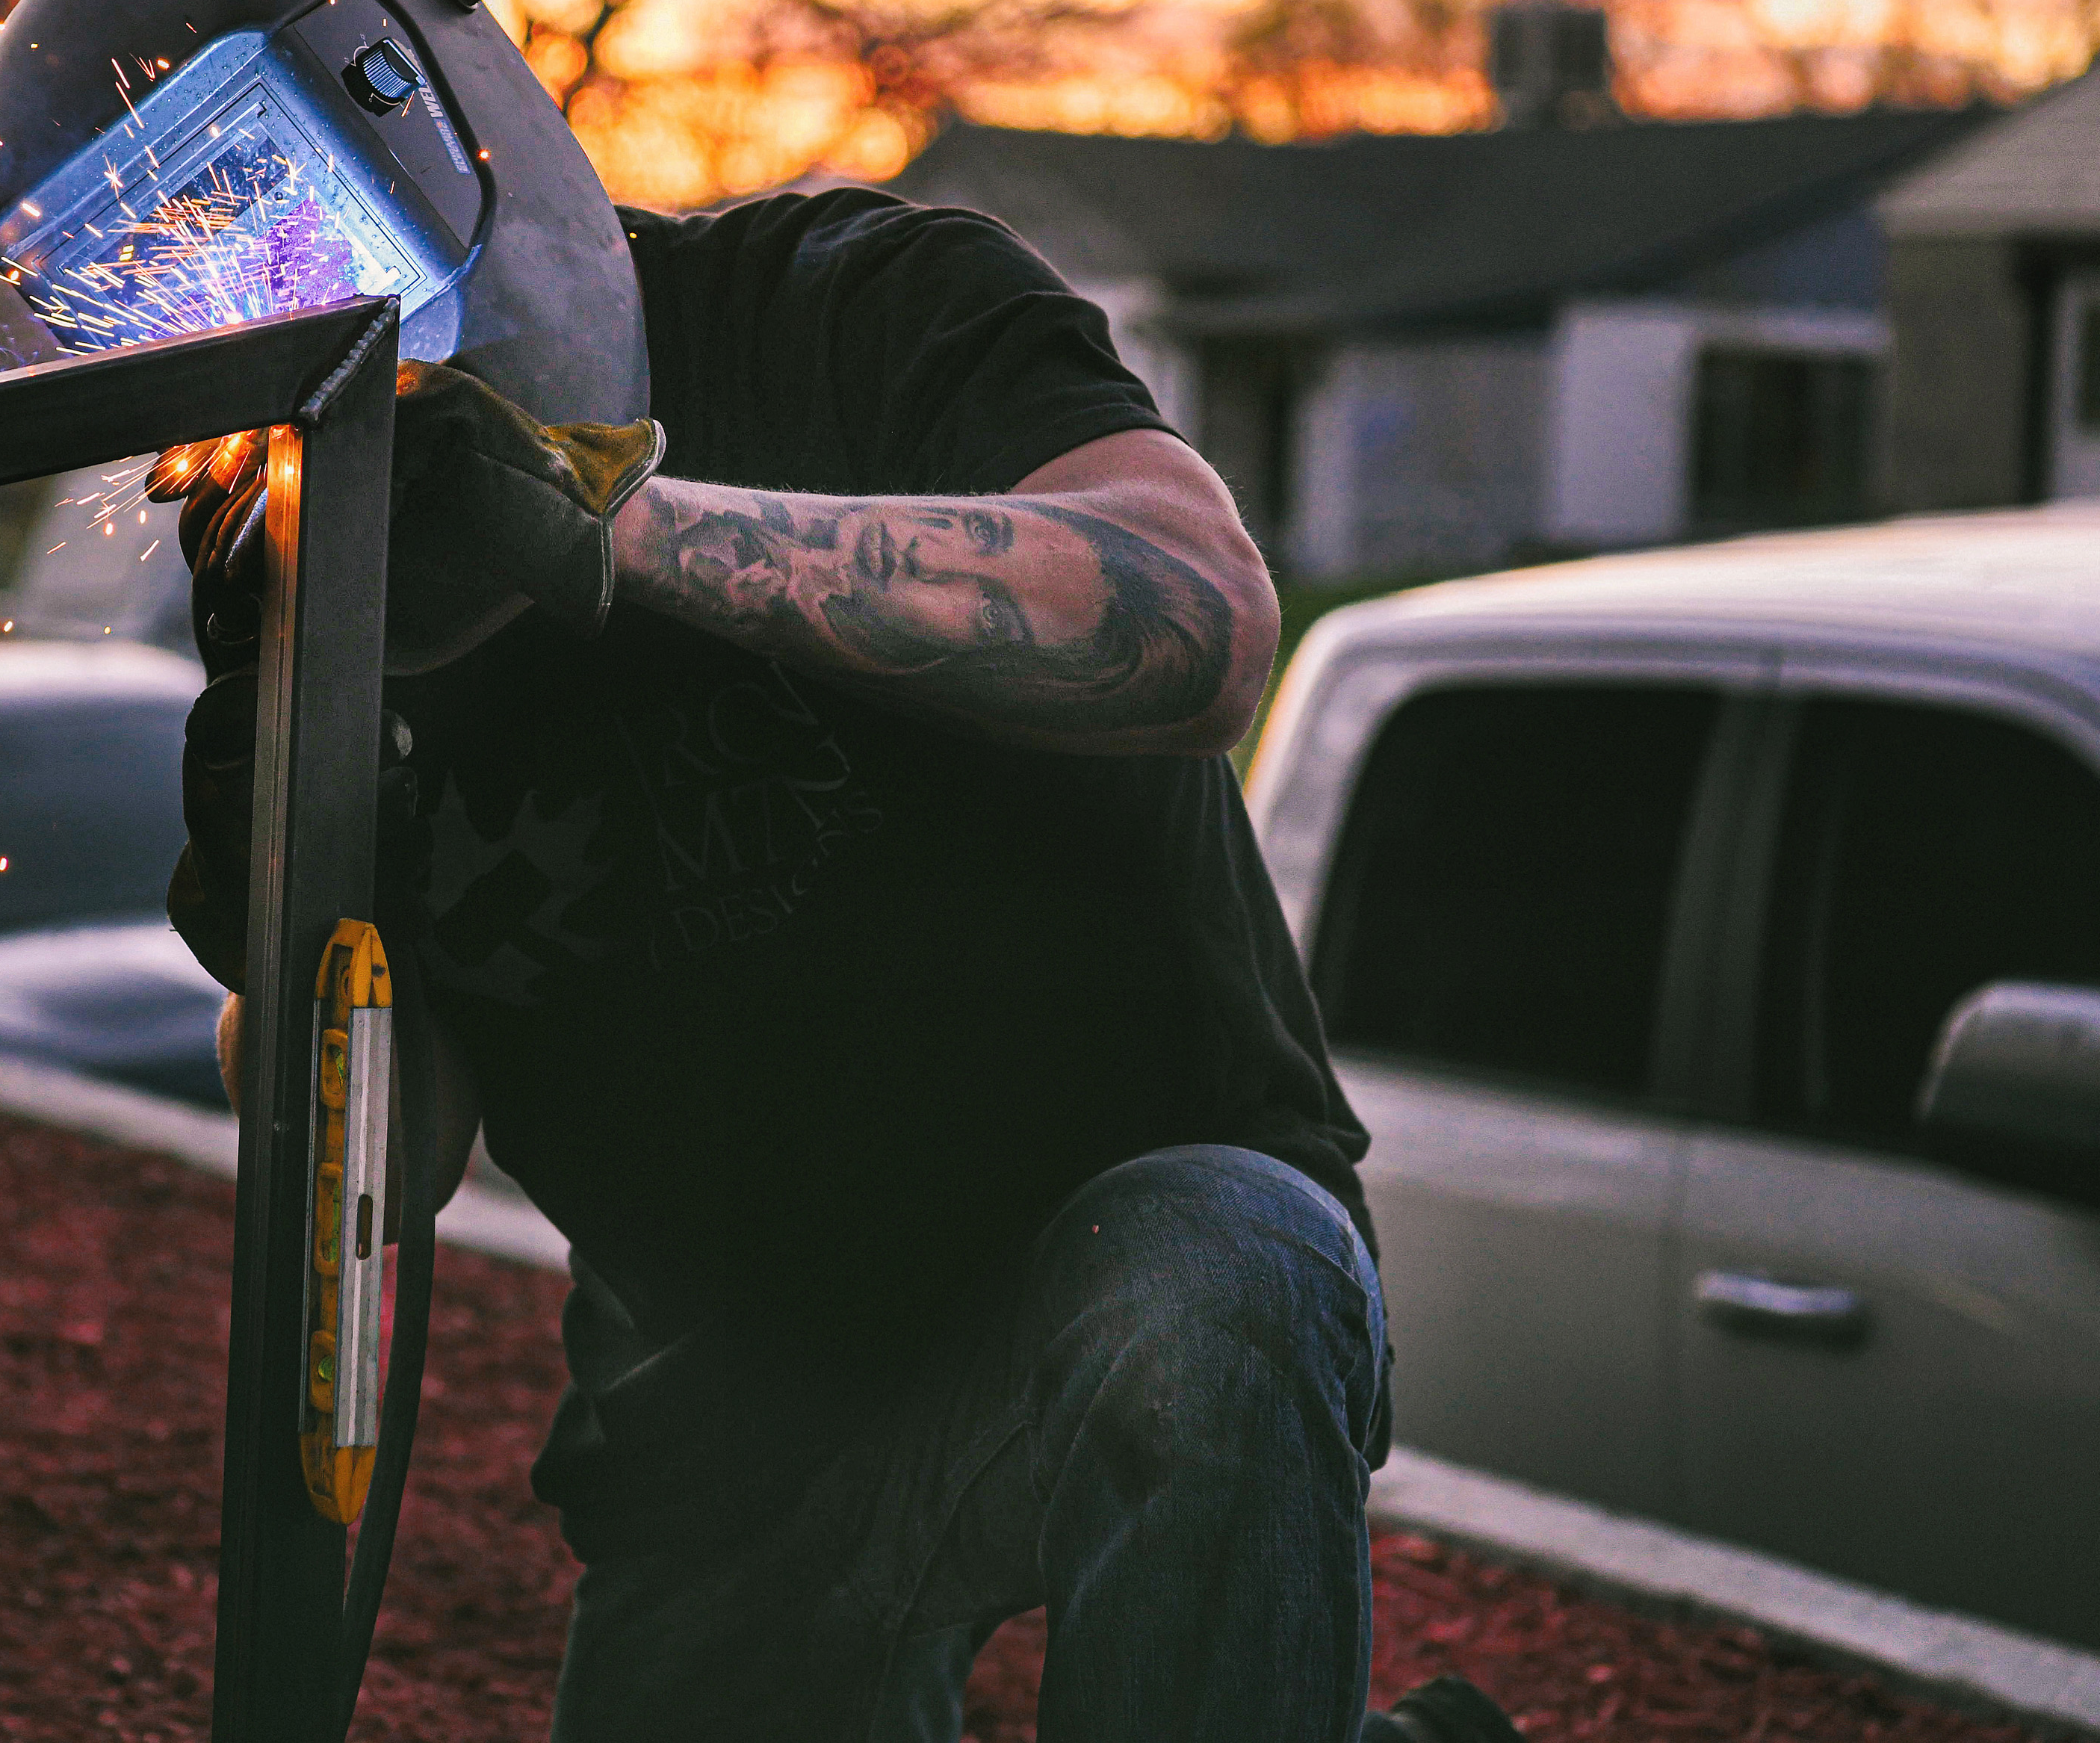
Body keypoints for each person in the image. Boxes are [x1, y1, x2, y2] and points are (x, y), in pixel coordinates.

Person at [166, 184, 1526, 1743]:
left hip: (1127, 1242)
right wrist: (292, 914)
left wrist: (601, 529)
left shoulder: (843, 298)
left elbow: (1203, 619)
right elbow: (398, 1168)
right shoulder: (291, 526)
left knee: (1219, 1284)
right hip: (724, 1406)